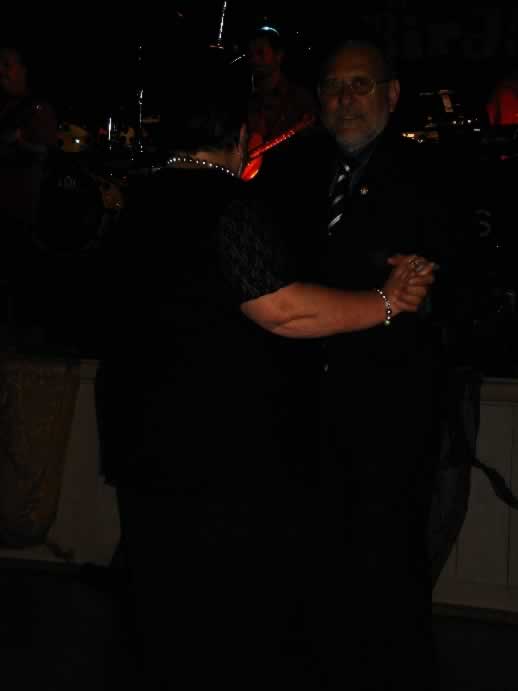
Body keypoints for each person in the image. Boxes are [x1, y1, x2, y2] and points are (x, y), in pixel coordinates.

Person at [94, 47, 436, 691]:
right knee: (222, 618)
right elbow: (283, 309)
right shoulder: (227, 202)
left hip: (143, 437)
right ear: (242, 130)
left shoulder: (141, 197)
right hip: (211, 450)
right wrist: (386, 301)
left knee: (159, 606)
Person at [277, 35, 468, 690]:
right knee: (312, 565)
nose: (346, 98)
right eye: (334, 86)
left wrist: (409, 288)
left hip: (392, 407)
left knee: (388, 568)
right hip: (304, 405)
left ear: (391, 94)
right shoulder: (295, 172)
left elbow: (446, 278)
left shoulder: (429, 175)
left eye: (360, 84)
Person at [0, 45, 56, 330]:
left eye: (7, 65)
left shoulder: (37, 108)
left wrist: (17, 142)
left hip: (22, 206)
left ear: (23, 70)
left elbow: (42, 149)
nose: (1, 72)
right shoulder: (6, 108)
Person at [243, 25, 316, 180]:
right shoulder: (244, 98)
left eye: (260, 53)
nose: (253, 59)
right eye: (250, 54)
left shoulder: (299, 99)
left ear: (279, 55)